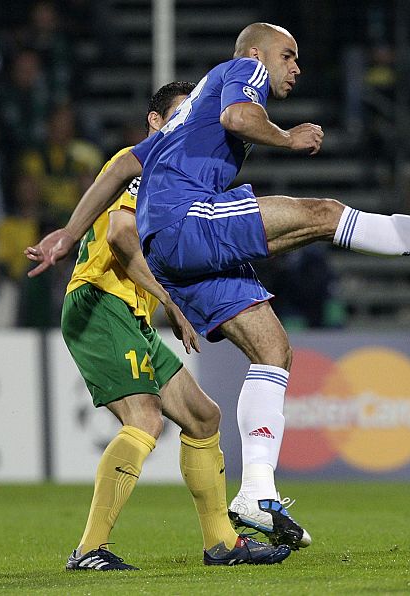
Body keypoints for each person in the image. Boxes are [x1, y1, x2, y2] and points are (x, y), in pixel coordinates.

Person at [25, 22, 410, 551]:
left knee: (273, 350)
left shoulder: (183, 120)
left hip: (172, 248)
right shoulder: (245, 69)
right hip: (185, 220)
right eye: (289, 56)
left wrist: (69, 231)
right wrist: (289, 137)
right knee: (324, 214)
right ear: (258, 53)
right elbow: (238, 115)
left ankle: (257, 492)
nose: (296, 67)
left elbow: (124, 163)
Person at [63, 82, 290, 571]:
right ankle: (88, 550)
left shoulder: (173, 174)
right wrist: (173, 302)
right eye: (181, 114)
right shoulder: (143, 166)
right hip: (100, 301)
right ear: (154, 121)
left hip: (129, 311)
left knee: (204, 418)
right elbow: (123, 235)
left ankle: (221, 543)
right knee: (144, 419)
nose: (191, 124)